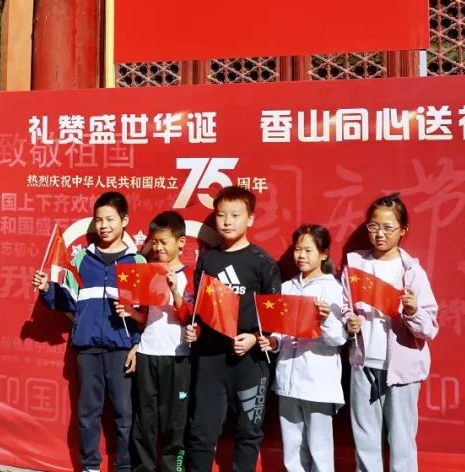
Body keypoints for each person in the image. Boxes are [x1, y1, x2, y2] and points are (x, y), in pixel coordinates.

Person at [31, 191, 145, 472]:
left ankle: (123, 467)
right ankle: (90, 466)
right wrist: (47, 289)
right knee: (87, 413)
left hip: (122, 349)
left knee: (124, 415)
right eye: (99, 220)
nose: (104, 226)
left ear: (124, 221)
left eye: (110, 219)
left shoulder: (137, 262)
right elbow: (68, 300)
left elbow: (145, 312)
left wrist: (137, 344)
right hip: (88, 348)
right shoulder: (82, 258)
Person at [184, 186, 281, 472]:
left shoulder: (263, 262)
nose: (227, 222)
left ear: (250, 218)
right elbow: (200, 307)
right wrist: (196, 331)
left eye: (235, 215)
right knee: (201, 432)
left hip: (250, 361)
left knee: (248, 432)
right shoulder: (207, 259)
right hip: (210, 358)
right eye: (221, 215)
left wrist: (255, 338)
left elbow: (274, 316)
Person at [343, 194, 438, 472]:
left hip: (402, 370)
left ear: (403, 229)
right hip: (363, 364)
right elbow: (344, 307)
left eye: (388, 228)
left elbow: (429, 328)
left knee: (402, 440)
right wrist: (348, 322)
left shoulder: (412, 272)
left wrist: (412, 311)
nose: (379, 234)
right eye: (373, 226)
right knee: (365, 439)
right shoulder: (355, 266)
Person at [258, 225, 346, 472]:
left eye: (308, 250)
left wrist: (326, 319)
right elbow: (281, 332)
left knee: (320, 448)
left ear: (324, 253)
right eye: (298, 249)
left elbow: (338, 338)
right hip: (287, 379)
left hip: (318, 382)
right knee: (292, 446)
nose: (301, 256)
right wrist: (274, 343)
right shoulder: (287, 287)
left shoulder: (333, 288)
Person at [114, 210, 193, 472]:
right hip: (148, 354)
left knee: (175, 422)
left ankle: (174, 468)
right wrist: (131, 312)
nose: (158, 248)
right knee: (144, 422)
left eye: (164, 242)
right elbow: (145, 318)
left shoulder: (191, 275)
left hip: (178, 357)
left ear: (181, 242)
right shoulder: (148, 272)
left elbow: (189, 317)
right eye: (155, 242)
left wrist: (175, 290)